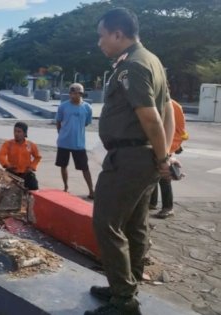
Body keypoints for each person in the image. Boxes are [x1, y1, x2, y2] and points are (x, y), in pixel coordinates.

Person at [88, 8, 175, 315]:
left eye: (101, 36)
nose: (100, 43)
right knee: (136, 225)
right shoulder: (151, 60)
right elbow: (169, 112)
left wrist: (164, 156)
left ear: (117, 34)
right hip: (142, 157)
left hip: (129, 159)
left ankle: (124, 299)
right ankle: (126, 285)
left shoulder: (133, 67)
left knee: (106, 223)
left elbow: (152, 117)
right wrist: (162, 155)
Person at [149, 99, 189, 218]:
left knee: (164, 177)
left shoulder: (173, 105)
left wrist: (170, 147)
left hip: (167, 145)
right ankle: (152, 202)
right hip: (156, 144)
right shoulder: (153, 102)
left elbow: (180, 130)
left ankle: (168, 207)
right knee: (152, 173)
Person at [55, 83, 95, 199]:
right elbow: (58, 122)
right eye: (73, 92)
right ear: (70, 93)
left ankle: (91, 190)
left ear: (82, 93)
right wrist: (61, 134)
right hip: (64, 142)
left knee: (84, 167)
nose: (75, 94)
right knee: (63, 165)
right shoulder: (63, 106)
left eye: (78, 92)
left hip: (79, 143)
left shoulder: (87, 107)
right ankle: (66, 187)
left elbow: (87, 123)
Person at [0, 122, 42, 190]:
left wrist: (32, 167)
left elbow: (37, 157)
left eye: (19, 132)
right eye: (15, 131)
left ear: (25, 133)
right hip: (12, 173)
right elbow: (1, 155)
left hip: (26, 173)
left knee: (34, 188)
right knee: (3, 190)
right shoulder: (8, 144)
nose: (16, 134)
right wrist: (7, 165)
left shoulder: (30, 145)